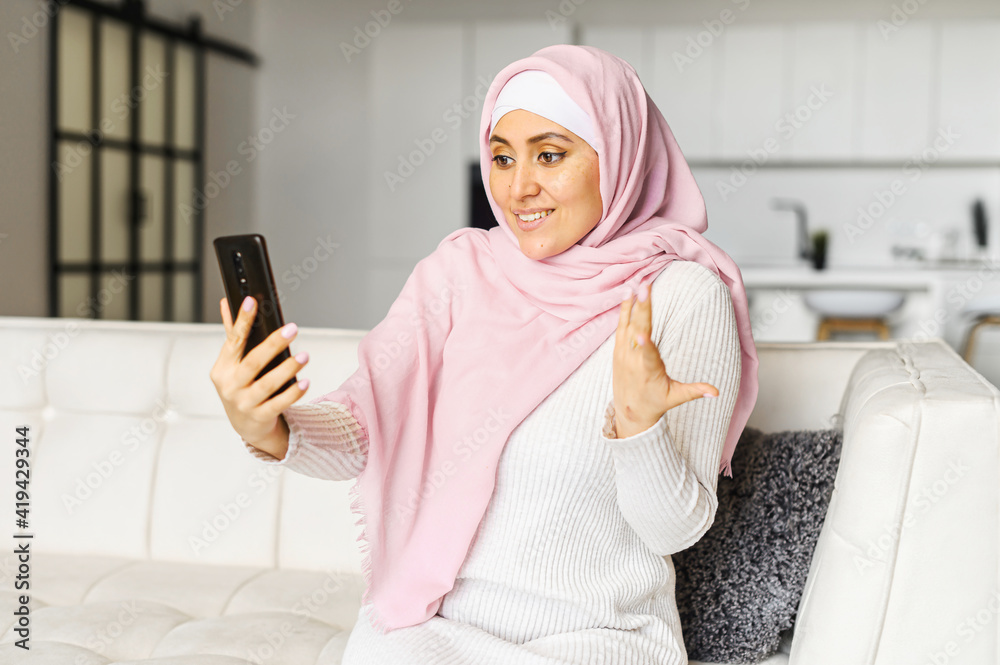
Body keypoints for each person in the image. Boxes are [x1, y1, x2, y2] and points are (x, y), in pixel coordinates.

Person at [210, 44, 758, 665]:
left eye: (550, 155)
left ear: (621, 156)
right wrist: (267, 424)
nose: (519, 187)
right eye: (501, 158)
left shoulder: (682, 295)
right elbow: (368, 431)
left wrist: (639, 431)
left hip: (596, 642)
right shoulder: (460, 271)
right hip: (435, 632)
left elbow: (674, 530)